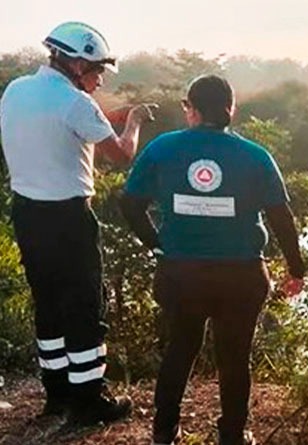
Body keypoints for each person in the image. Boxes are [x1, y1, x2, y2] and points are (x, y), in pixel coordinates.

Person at [120, 74, 307, 445]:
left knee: (181, 346)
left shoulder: (161, 148)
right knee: (235, 356)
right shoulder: (255, 156)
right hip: (240, 276)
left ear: (190, 109)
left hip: (180, 274)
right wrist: (296, 267)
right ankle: (233, 435)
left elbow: (129, 204)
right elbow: (281, 217)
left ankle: (163, 430)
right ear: (230, 110)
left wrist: (157, 244)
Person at [0, 21, 157, 425]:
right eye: (96, 69)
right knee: (85, 306)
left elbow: (56, 121)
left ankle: (57, 395)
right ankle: (90, 401)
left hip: (28, 213)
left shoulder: (17, 90)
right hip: (69, 217)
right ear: (74, 63)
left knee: (48, 303)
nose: (101, 78)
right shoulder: (76, 105)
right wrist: (134, 119)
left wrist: (104, 114)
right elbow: (121, 154)